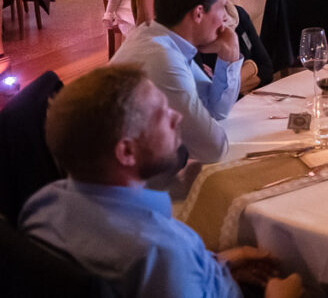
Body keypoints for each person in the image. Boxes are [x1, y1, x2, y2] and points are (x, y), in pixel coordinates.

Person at [19, 65, 302, 298]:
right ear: (126, 151)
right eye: (160, 114)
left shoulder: (44, 204)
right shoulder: (162, 255)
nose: (175, 116)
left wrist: (218, 263)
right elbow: (158, 265)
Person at [110, 0, 242, 163]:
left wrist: (229, 55)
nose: (225, 17)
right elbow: (213, 149)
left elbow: (217, 109)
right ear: (198, 13)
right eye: (222, 7)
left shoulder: (158, 36)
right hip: (129, 182)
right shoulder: (163, 59)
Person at [175, 0, 273, 91]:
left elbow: (266, 69)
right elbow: (209, 92)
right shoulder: (192, 30)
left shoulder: (237, 15)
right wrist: (251, 69)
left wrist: (232, 82)